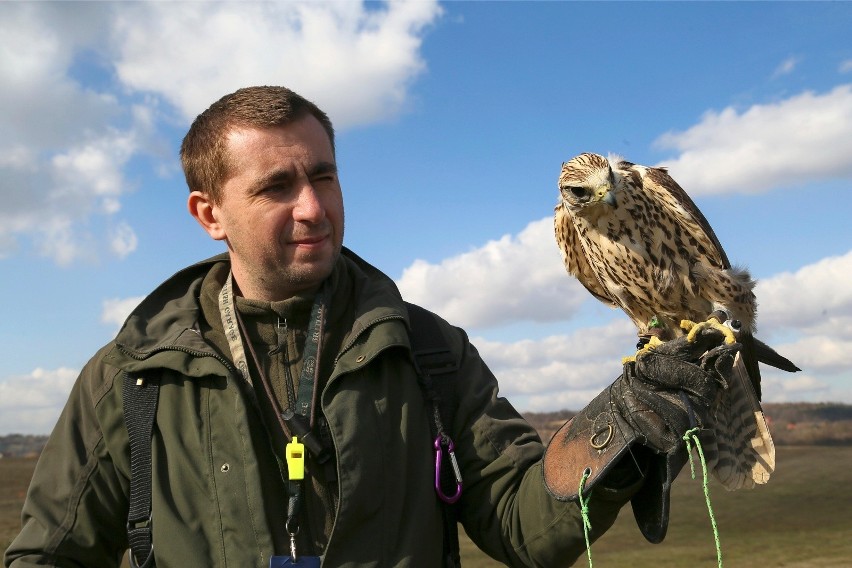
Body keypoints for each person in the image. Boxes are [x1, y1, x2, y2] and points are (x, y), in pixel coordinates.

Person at [5, 86, 734, 567]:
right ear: (209, 215)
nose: (313, 207)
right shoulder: (133, 373)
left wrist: (620, 430)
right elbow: (48, 555)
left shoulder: (429, 352)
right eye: (276, 187)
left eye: (323, 175)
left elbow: (519, 521)